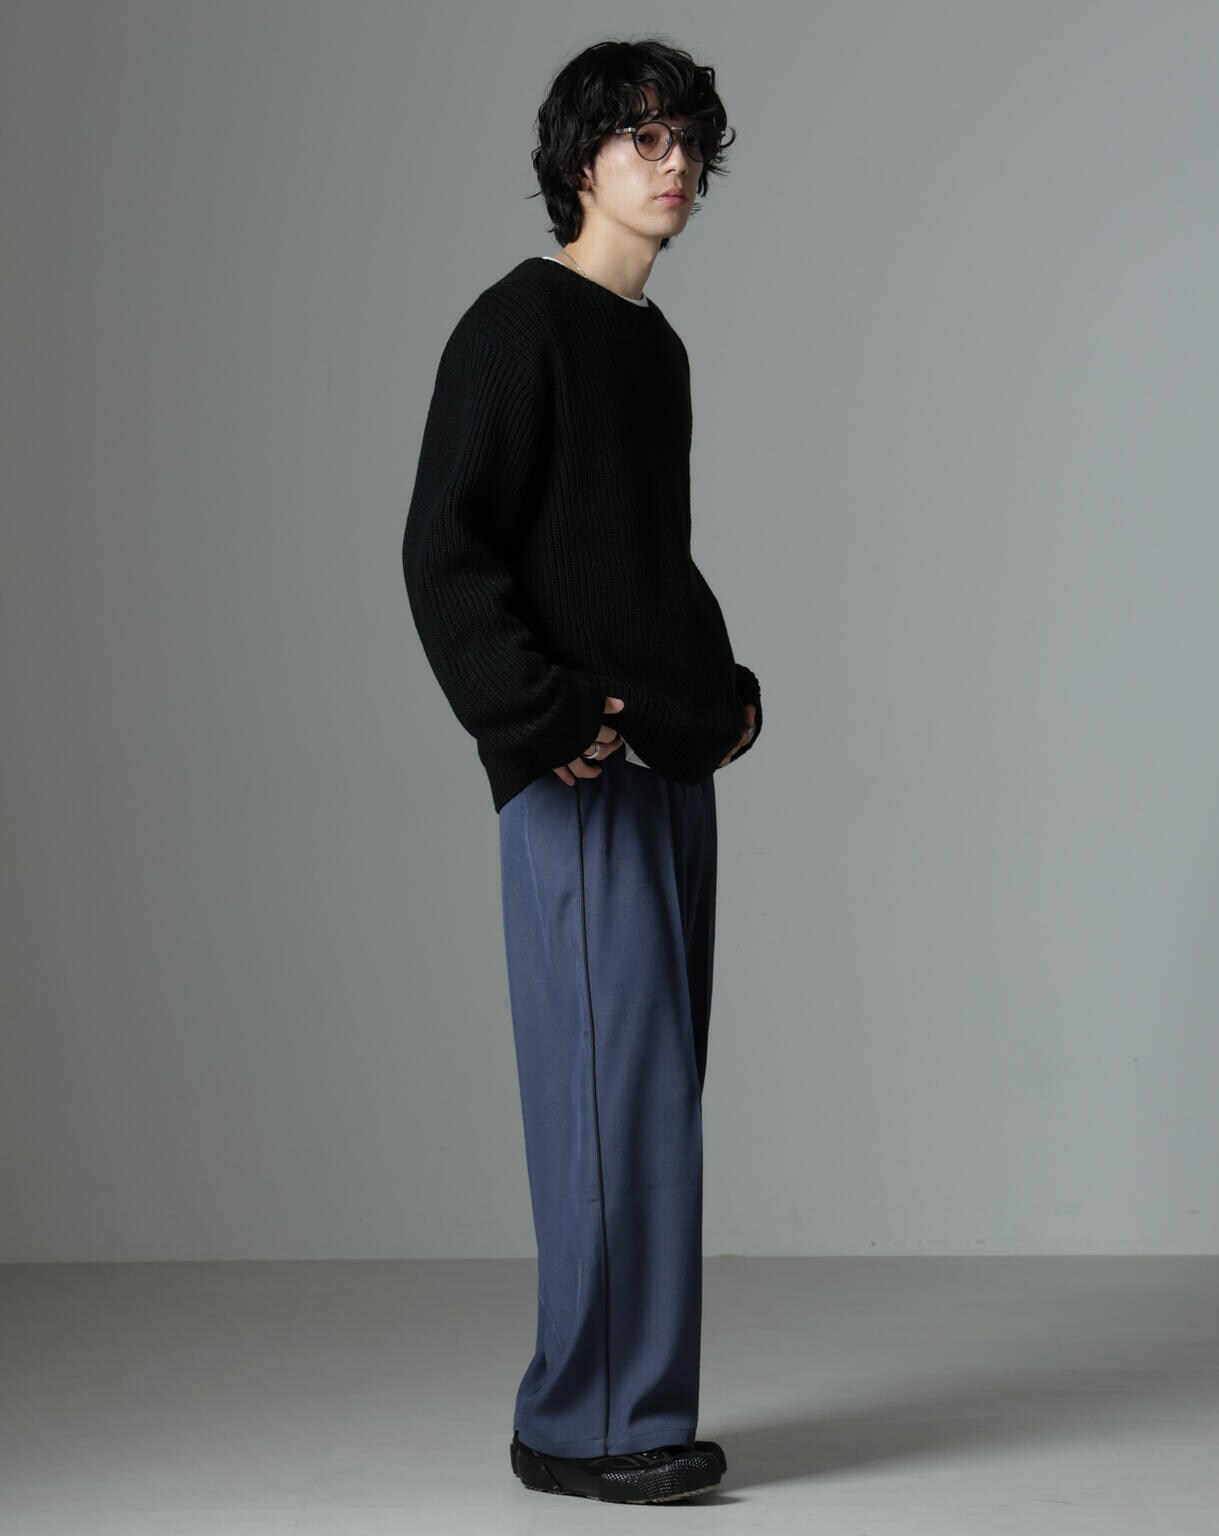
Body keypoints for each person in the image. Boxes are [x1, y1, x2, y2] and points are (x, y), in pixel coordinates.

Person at [401, 37, 762, 1505]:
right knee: (607, 1104)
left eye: (688, 142)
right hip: (576, 777)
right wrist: (541, 718)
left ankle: (631, 1409)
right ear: (580, 160)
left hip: (667, 769)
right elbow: (445, 554)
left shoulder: (651, 351)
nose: (673, 164)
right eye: (642, 138)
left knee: (655, 1107)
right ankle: (583, 1424)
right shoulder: (516, 328)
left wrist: (722, 697)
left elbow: (640, 566)